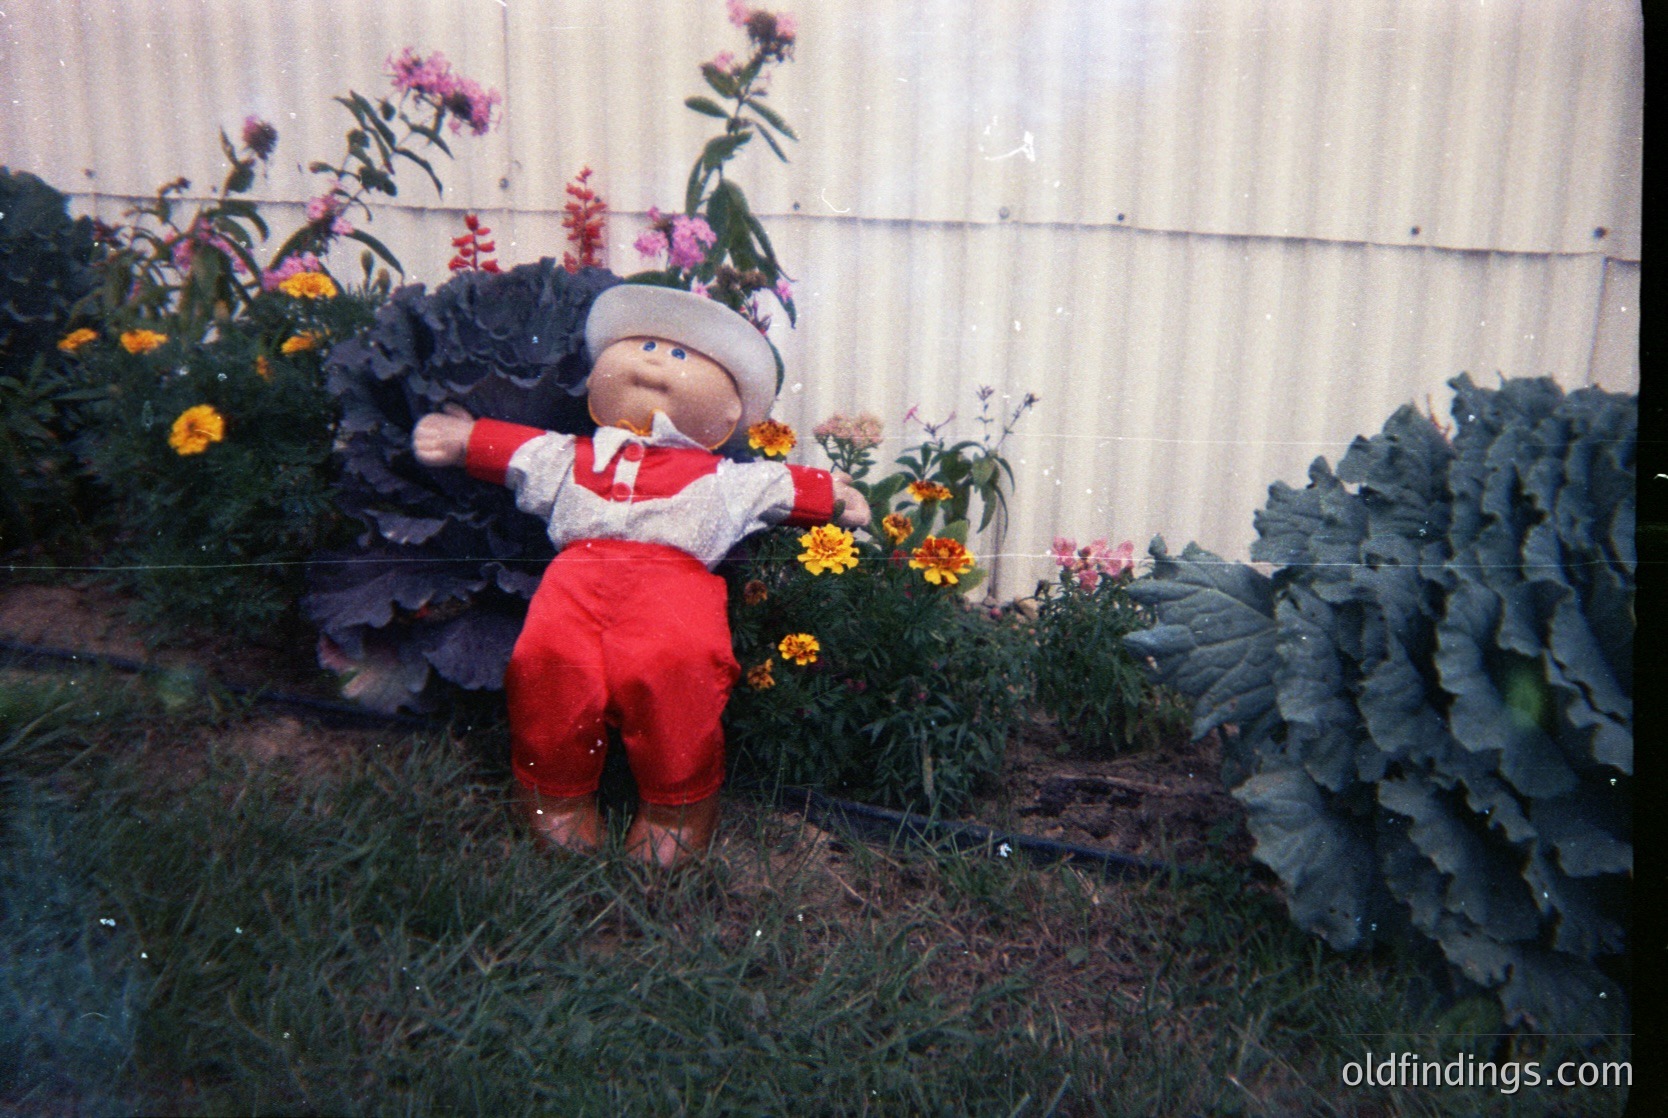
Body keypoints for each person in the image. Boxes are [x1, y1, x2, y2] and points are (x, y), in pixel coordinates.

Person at [412, 283, 868, 867]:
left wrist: (834, 497)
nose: (656, 359)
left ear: (730, 414)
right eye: (646, 344)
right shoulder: (572, 456)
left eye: (680, 355)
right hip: (573, 584)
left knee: (678, 679)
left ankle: (676, 808)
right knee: (547, 667)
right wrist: (466, 439)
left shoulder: (726, 478)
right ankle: (556, 796)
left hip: (673, 592)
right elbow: (526, 452)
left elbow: (777, 487)